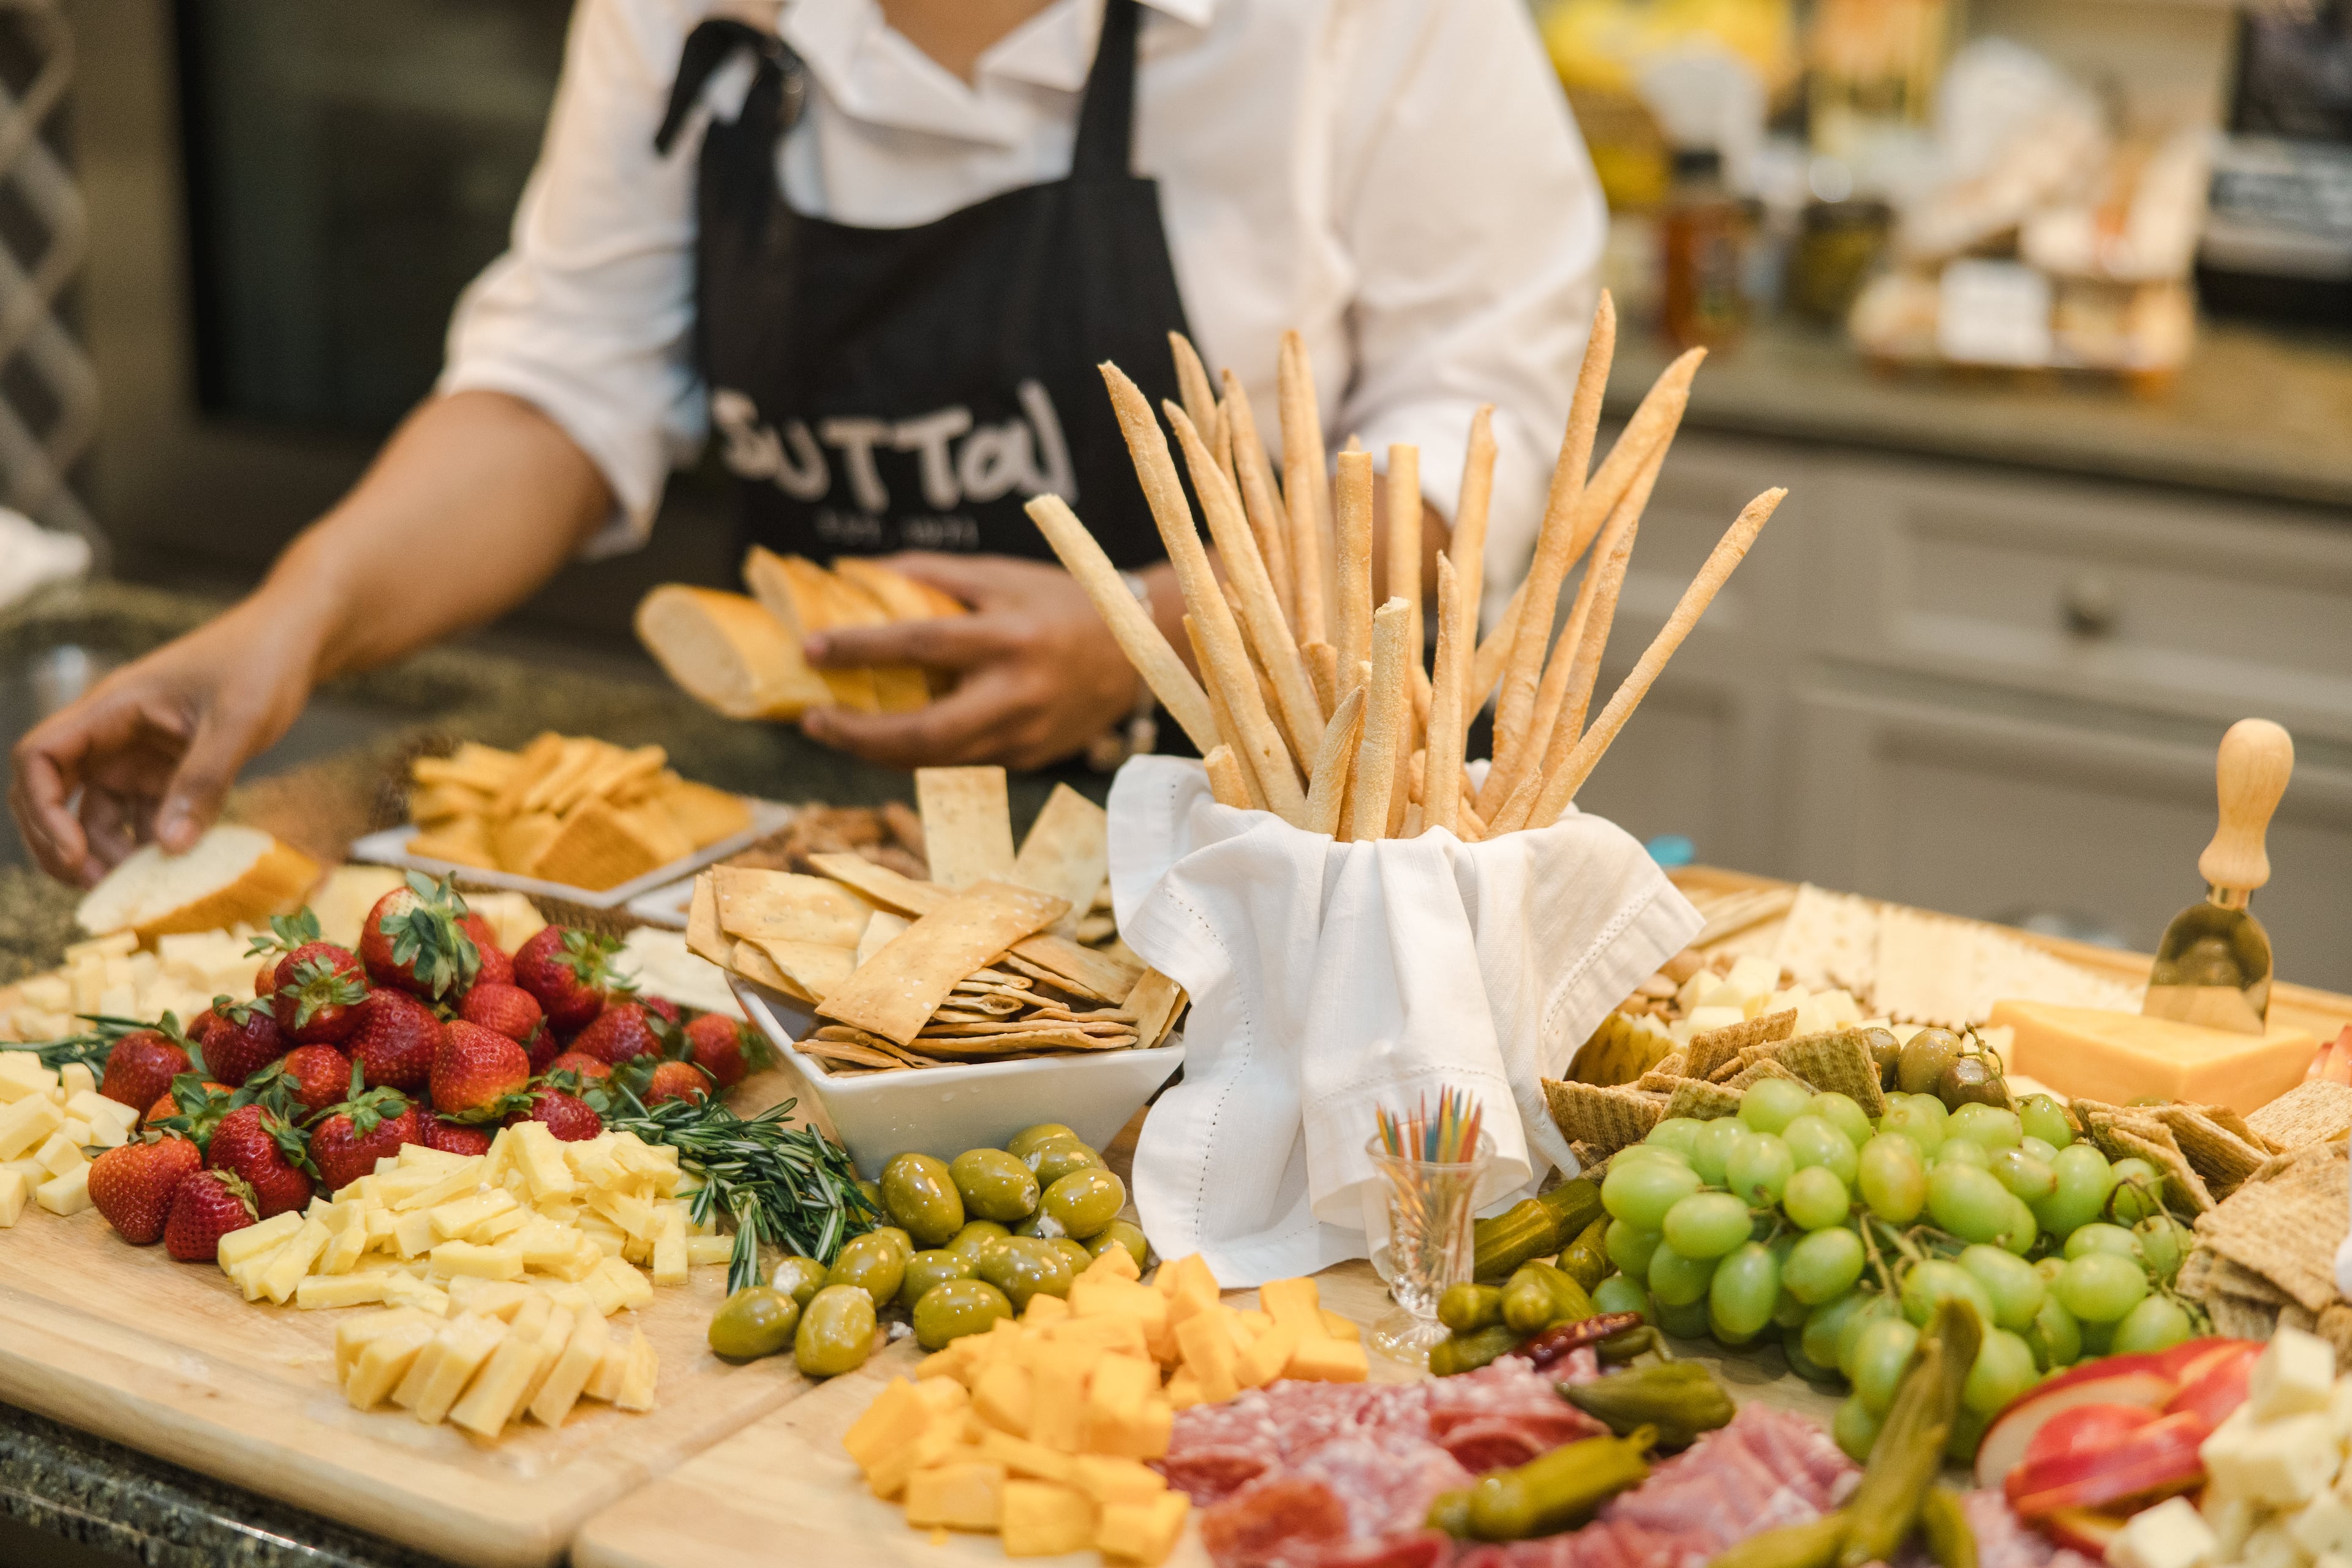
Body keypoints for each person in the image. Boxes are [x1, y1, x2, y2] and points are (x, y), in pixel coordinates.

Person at [11, 0, 1605, 886]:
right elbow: (568, 379)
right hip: (848, 855)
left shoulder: (1361, 24)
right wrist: (292, 621)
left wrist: (1159, 628)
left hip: (1304, 856)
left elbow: (1476, 440)